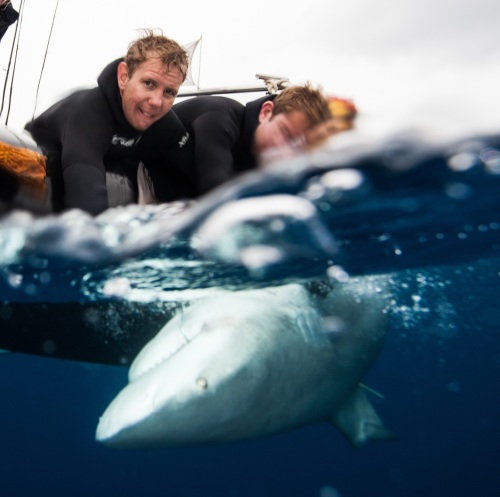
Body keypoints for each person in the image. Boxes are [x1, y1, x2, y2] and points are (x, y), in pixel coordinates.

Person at [24, 29, 195, 216]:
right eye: (149, 83)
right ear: (124, 77)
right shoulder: (89, 114)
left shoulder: (164, 122)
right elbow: (86, 206)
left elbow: (197, 172)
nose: (156, 102)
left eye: (169, 92)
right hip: (40, 158)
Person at [167, 83, 354, 197]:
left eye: (298, 146)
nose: (286, 151)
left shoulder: (267, 157)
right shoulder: (220, 117)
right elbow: (216, 184)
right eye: (286, 133)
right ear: (266, 113)